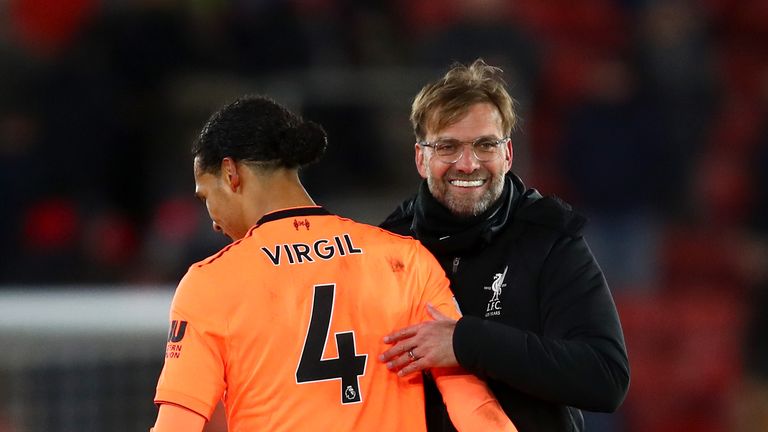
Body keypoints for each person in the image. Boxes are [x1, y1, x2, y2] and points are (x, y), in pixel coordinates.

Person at [150, 95, 517, 432]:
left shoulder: (212, 282)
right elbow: (474, 405)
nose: (212, 221)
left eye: (205, 198)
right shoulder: (405, 260)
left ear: (231, 174)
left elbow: (177, 425)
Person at [378, 59, 630, 432]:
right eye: (448, 146)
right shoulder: (389, 245)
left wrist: (467, 342)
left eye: (485, 145)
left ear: (508, 154)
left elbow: (605, 377)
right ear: (421, 158)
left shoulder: (550, 238)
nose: (468, 164)